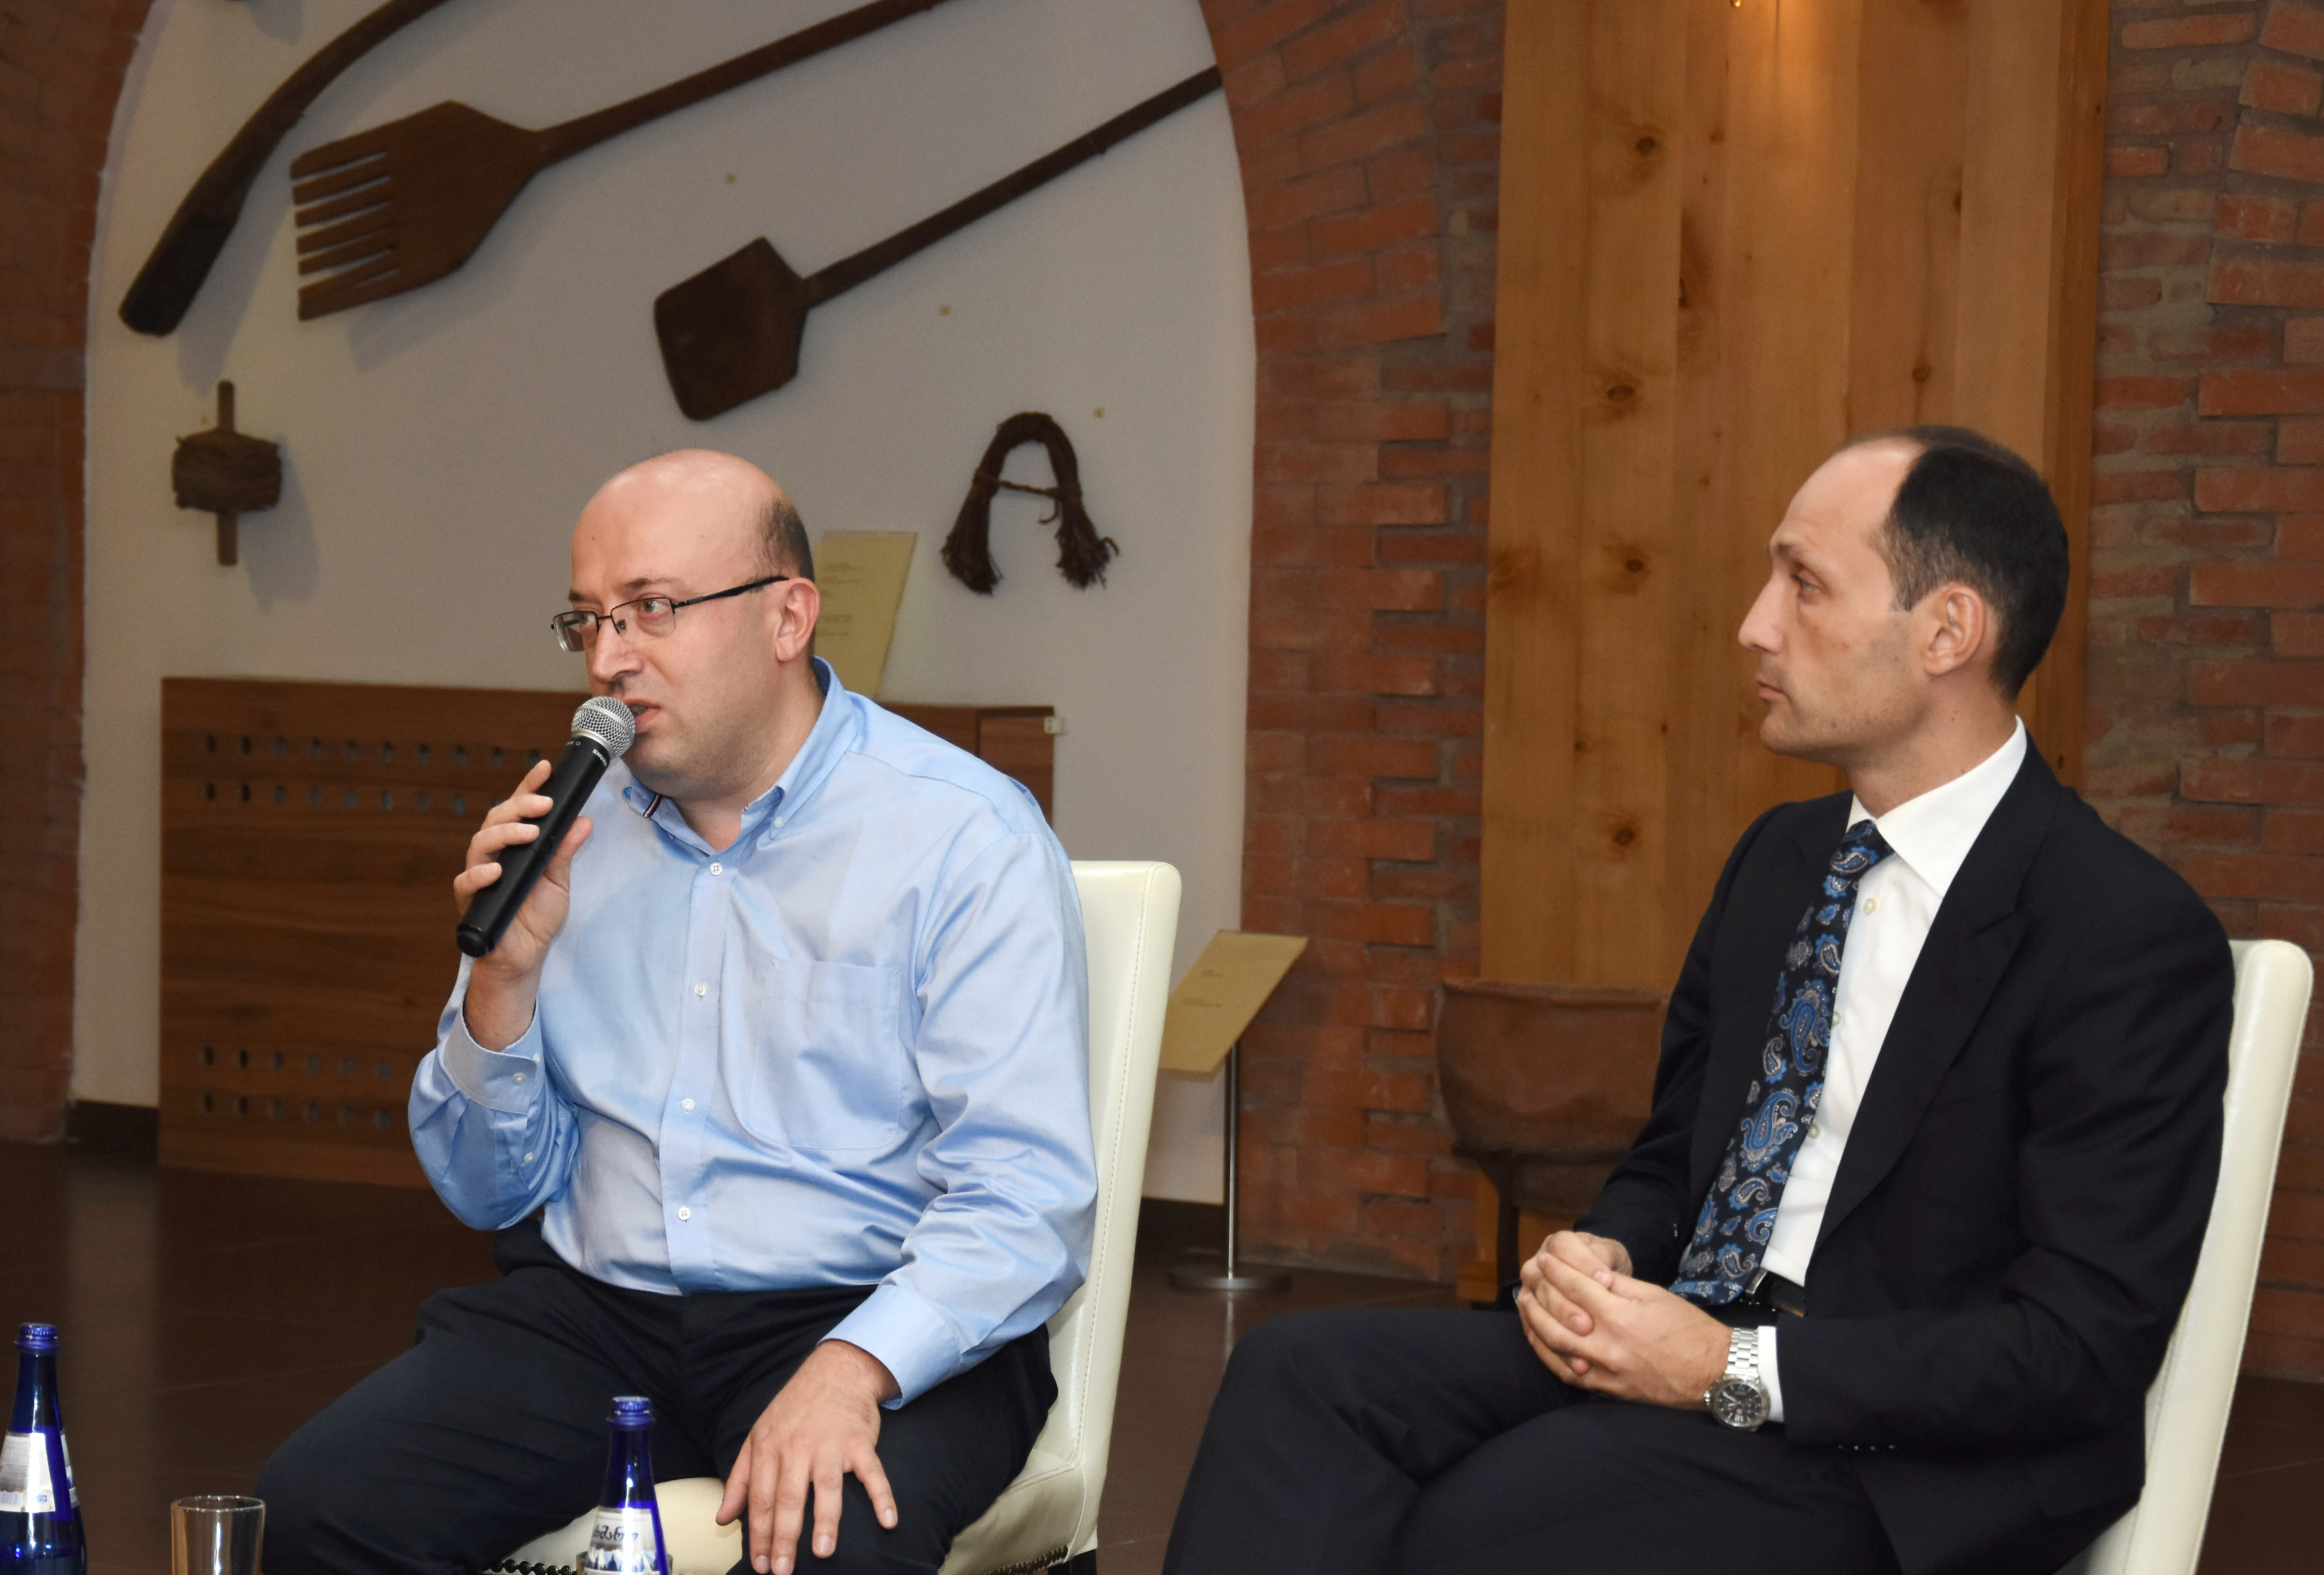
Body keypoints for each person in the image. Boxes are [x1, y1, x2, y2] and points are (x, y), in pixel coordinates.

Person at [1161, 427, 2233, 1575]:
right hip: (1688, 1343)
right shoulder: (1782, 857)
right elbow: (1678, 1156)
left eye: (1804, 583)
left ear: (1947, 631)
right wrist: (1606, 1250)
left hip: (1898, 1448)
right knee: (1299, 1377)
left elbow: (2076, 1347)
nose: (1755, 625)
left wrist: (1728, 1367)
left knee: (1480, 1517)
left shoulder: (2119, 929)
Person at [257, 451, 1094, 1575]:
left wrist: (854, 1366)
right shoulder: (571, 828)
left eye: (652, 607)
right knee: (317, 1507)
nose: (610, 658)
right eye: (589, 619)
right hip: (596, 1316)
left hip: (863, 1311)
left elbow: (1026, 1194)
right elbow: (485, 1191)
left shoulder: (961, 835)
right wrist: (502, 985)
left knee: (828, 1550)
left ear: (788, 616)